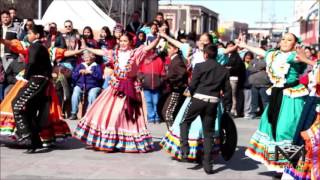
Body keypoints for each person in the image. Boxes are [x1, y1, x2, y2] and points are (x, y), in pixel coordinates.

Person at [74, 33, 160, 152]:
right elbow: (101, 51)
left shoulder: (135, 53)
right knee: (107, 113)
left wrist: (159, 37)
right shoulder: (114, 53)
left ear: (130, 42)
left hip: (130, 88)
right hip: (116, 87)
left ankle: (123, 141)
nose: (123, 43)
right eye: (121, 41)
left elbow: (148, 47)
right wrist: (87, 47)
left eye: (125, 41)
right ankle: (109, 140)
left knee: (126, 115)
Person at [238, 33, 309, 173]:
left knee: (286, 130)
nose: (284, 42)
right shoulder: (274, 55)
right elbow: (262, 52)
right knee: (272, 130)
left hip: (291, 97)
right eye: (283, 39)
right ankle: (279, 166)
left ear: (295, 44)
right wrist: (244, 45)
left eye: (289, 40)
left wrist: (303, 55)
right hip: (277, 95)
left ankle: (291, 166)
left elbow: (301, 59)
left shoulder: (294, 56)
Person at [179, 44, 232, 174]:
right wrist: (228, 106)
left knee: (185, 122)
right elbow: (227, 91)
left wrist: (188, 93)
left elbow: (193, 84)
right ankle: (208, 165)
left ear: (205, 54)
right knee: (208, 133)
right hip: (213, 102)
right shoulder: (224, 70)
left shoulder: (200, 66)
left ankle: (185, 150)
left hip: (198, 99)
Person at [10, 25, 53, 153]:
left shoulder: (35, 46)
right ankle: (34, 142)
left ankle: (25, 134)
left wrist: (25, 77)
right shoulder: (42, 47)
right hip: (42, 81)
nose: (28, 35)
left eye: (30, 33)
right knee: (29, 110)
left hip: (36, 80)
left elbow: (31, 62)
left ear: (37, 35)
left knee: (17, 104)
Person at [69, 50, 102, 120]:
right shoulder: (80, 66)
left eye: (88, 57)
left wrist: (90, 72)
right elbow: (74, 77)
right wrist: (79, 72)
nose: (86, 59)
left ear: (93, 58)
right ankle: (73, 113)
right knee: (76, 92)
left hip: (94, 86)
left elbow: (99, 77)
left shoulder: (96, 66)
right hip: (81, 85)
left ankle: (89, 114)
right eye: (85, 57)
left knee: (92, 94)